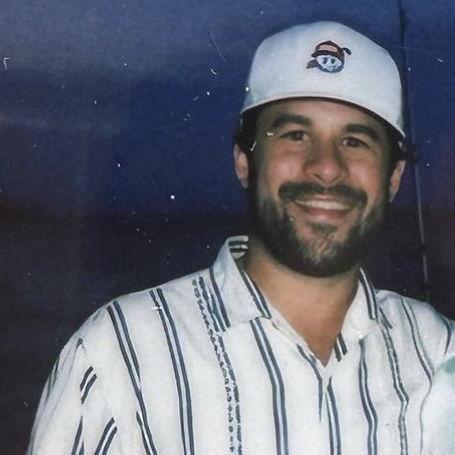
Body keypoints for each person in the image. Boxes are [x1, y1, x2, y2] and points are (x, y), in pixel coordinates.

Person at [27, 21, 454, 454]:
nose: (326, 167)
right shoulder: (119, 353)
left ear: (394, 177)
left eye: (355, 141)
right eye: (295, 135)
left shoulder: (440, 352)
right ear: (244, 162)